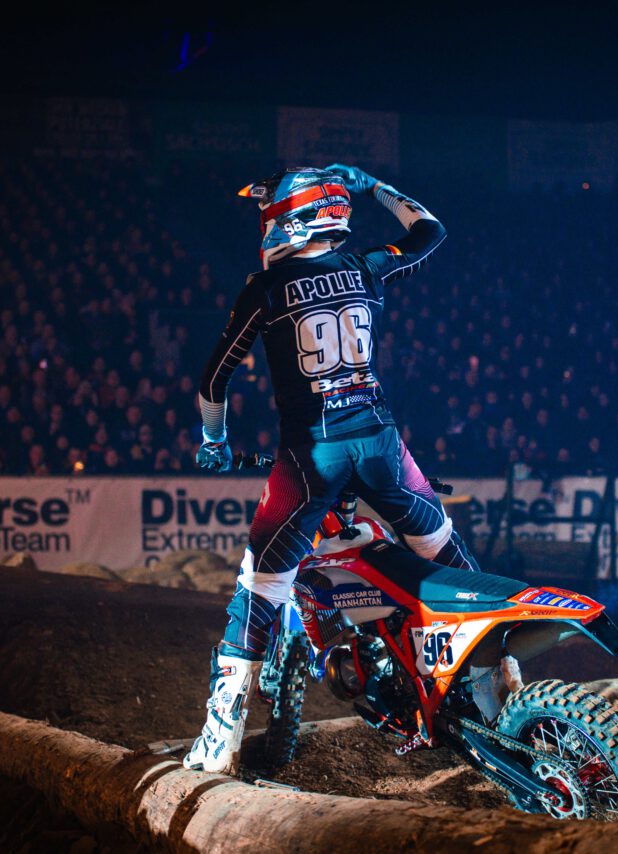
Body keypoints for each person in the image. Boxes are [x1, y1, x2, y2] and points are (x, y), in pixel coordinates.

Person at [183, 165, 480, 774]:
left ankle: (220, 740)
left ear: (289, 218)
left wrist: (215, 442)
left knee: (259, 585)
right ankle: (496, 679)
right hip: (383, 447)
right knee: (443, 550)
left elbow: (214, 381)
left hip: (311, 457)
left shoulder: (265, 289)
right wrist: (374, 185)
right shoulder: (367, 266)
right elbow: (431, 231)